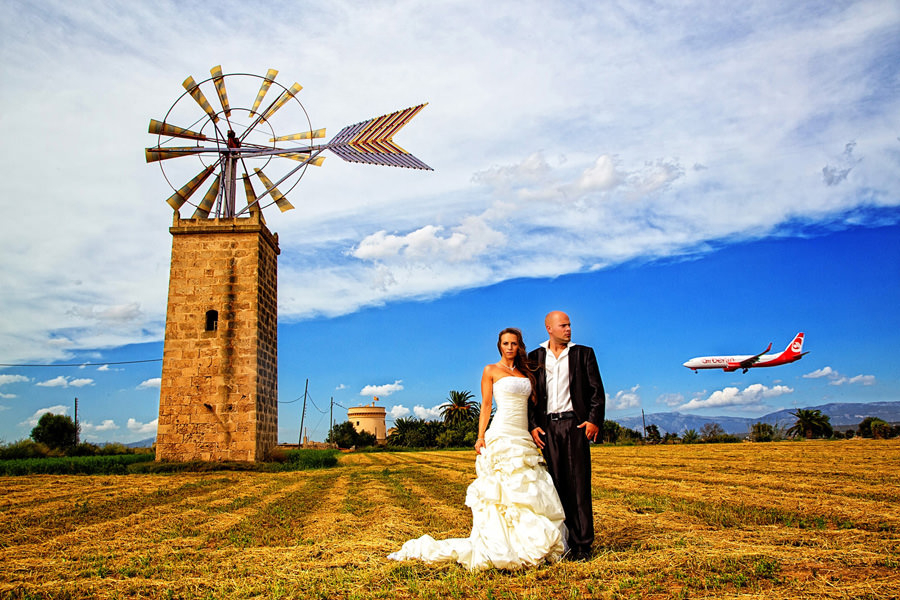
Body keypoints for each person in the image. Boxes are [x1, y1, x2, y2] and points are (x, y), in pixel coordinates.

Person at [388, 328, 567, 570]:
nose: (510, 347)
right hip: (502, 431)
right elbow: (485, 405)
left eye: (514, 343)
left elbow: (535, 405)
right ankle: (501, 544)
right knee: (503, 490)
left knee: (529, 485)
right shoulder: (490, 370)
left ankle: (529, 540)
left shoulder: (527, 371)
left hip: (522, 434)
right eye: (505, 343)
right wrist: (480, 436)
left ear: (519, 346)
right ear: (499, 346)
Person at [528, 311, 605, 561]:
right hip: (547, 428)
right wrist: (532, 425)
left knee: (579, 485)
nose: (569, 329)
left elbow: (596, 391)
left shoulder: (584, 353)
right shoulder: (534, 357)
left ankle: (583, 544)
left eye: (570, 325)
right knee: (555, 486)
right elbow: (530, 396)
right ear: (548, 328)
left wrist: (593, 420)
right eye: (563, 325)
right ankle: (563, 542)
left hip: (575, 425)